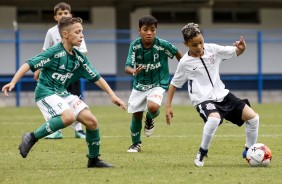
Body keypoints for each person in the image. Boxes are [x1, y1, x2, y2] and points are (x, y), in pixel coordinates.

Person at [2, 17, 127, 168]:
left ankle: (93, 160)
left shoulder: (79, 58)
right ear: (65, 34)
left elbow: (96, 77)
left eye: (82, 32)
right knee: (68, 117)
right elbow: (28, 64)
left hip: (62, 93)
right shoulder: (54, 52)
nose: (81, 35)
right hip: (45, 92)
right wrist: (13, 82)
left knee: (91, 121)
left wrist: (112, 95)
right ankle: (32, 137)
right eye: (78, 32)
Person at [165, 23, 259, 167]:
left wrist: (242, 48)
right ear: (186, 44)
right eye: (194, 45)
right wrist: (168, 107)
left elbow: (235, 51)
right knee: (214, 119)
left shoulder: (213, 49)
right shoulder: (184, 63)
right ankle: (201, 154)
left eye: (201, 42)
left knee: (253, 118)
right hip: (203, 99)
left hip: (223, 95)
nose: (199, 47)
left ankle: (249, 151)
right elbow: (174, 84)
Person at [124, 15, 182, 153]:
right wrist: (134, 71)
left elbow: (179, 55)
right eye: (145, 29)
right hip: (139, 85)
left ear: (156, 30)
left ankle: (150, 118)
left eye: (152, 29)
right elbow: (127, 67)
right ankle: (136, 144)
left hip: (158, 83)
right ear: (139, 30)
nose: (149, 33)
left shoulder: (163, 45)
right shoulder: (135, 46)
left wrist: (185, 70)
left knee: (153, 107)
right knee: (137, 115)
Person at [33, 2, 87, 139]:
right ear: (55, 17)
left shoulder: (76, 30)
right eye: (60, 13)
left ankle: (79, 130)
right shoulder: (51, 32)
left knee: (76, 98)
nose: (63, 15)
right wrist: (38, 69)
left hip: (71, 73)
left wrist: (78, 68)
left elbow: (83, 52)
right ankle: (56, 130)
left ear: (71, 15)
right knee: (54, 100)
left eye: (66, 13)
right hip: (54, 75)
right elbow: (45, 52)